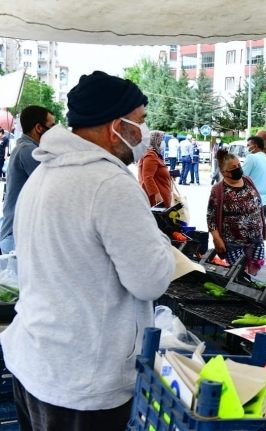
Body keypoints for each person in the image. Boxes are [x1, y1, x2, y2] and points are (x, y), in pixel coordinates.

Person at [0, 70, 175, 431]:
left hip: (35, 362)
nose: (143, 132)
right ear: (116, 125)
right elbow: (151, 281)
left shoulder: (45, 173)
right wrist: (161, 241)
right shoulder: (110, 184)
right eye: (140, 121)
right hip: (83, 382)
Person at [0, 105, 55, 254]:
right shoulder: (28, 151)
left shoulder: (24, 148)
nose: (55, 132)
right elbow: (53, 185)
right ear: (39, 128)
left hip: (16, 234)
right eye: (52, 126)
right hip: (16, 237)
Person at [208, 149, 266, 275]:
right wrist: (217, 239)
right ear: (224, 172)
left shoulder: (248, 181)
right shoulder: (218, 190)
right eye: (233, 167)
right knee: (238, 274)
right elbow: (211, 218)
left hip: (255, 239)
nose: (238, 168)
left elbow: (258, 205)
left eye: (239, 165)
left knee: (253, 273)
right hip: (233, 242)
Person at [138, 130, 172, 208]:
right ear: (156, 141)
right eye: (162, 140)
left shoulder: (154, 154)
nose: (164, 143)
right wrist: (157, 195)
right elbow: (147, 177)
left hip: (162, 194)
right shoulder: (151, 155)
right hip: (157, 199)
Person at [243, 135, 266, 215]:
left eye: (248, 145)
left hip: (254, 202)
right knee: (260, 227)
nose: (247, 148)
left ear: (255, 146)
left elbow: (240, 178)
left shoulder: (251, 158)